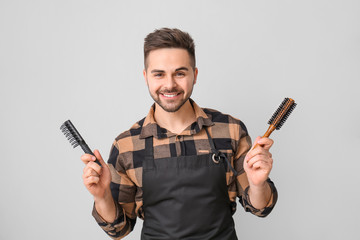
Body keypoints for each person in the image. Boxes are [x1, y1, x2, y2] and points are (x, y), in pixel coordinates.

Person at [81, 28, 278, 240]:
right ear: (146, 77)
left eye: (180, 73)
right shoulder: (127, 145)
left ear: (195, 75)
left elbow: (260, 208)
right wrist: (101, 196)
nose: (169, 84)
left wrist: (258, 185)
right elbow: (118, 230)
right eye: (159, 74)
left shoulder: (230, 130)